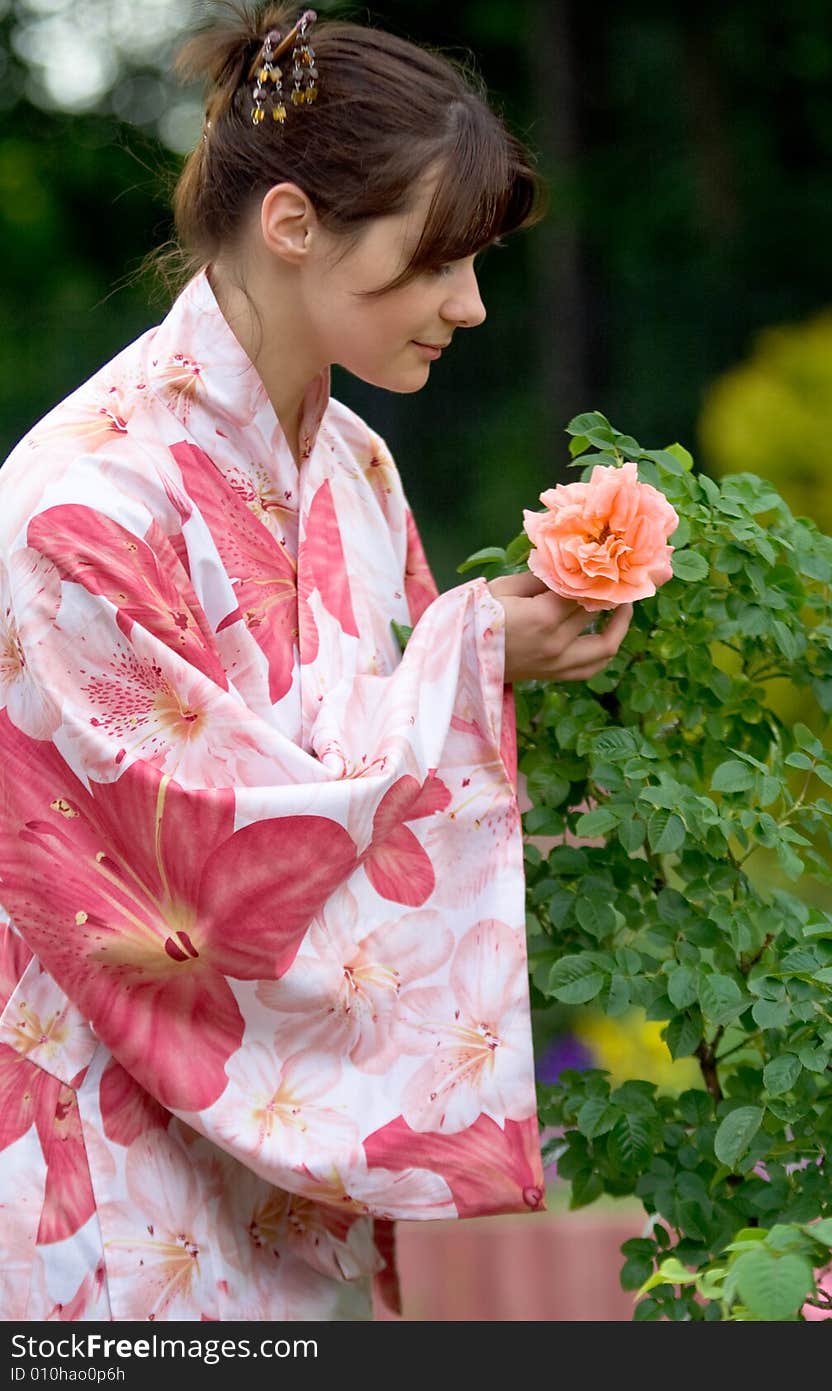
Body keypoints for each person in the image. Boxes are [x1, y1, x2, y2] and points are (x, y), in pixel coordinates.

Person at [0, 3, 633, 1322]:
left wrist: (489, 656)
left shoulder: (354, 466)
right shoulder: (80, 503)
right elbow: (198, 853)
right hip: (103, 1169)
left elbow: (380, 771)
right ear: (293, 225)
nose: (467, 304)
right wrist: (473, 658)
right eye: (436, 260)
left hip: (271, 1180)